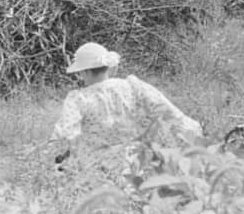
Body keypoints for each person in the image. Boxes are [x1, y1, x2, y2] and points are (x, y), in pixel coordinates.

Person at [50, 42, 201, 169]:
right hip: (135, 162)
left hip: (96, 167)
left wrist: (57, 163)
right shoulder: (132, 86)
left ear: (87, 71)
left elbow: (64, 135)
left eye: (80, 72)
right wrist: (192, 133)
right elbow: (168, 111)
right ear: (107, 67)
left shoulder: (79, 98)